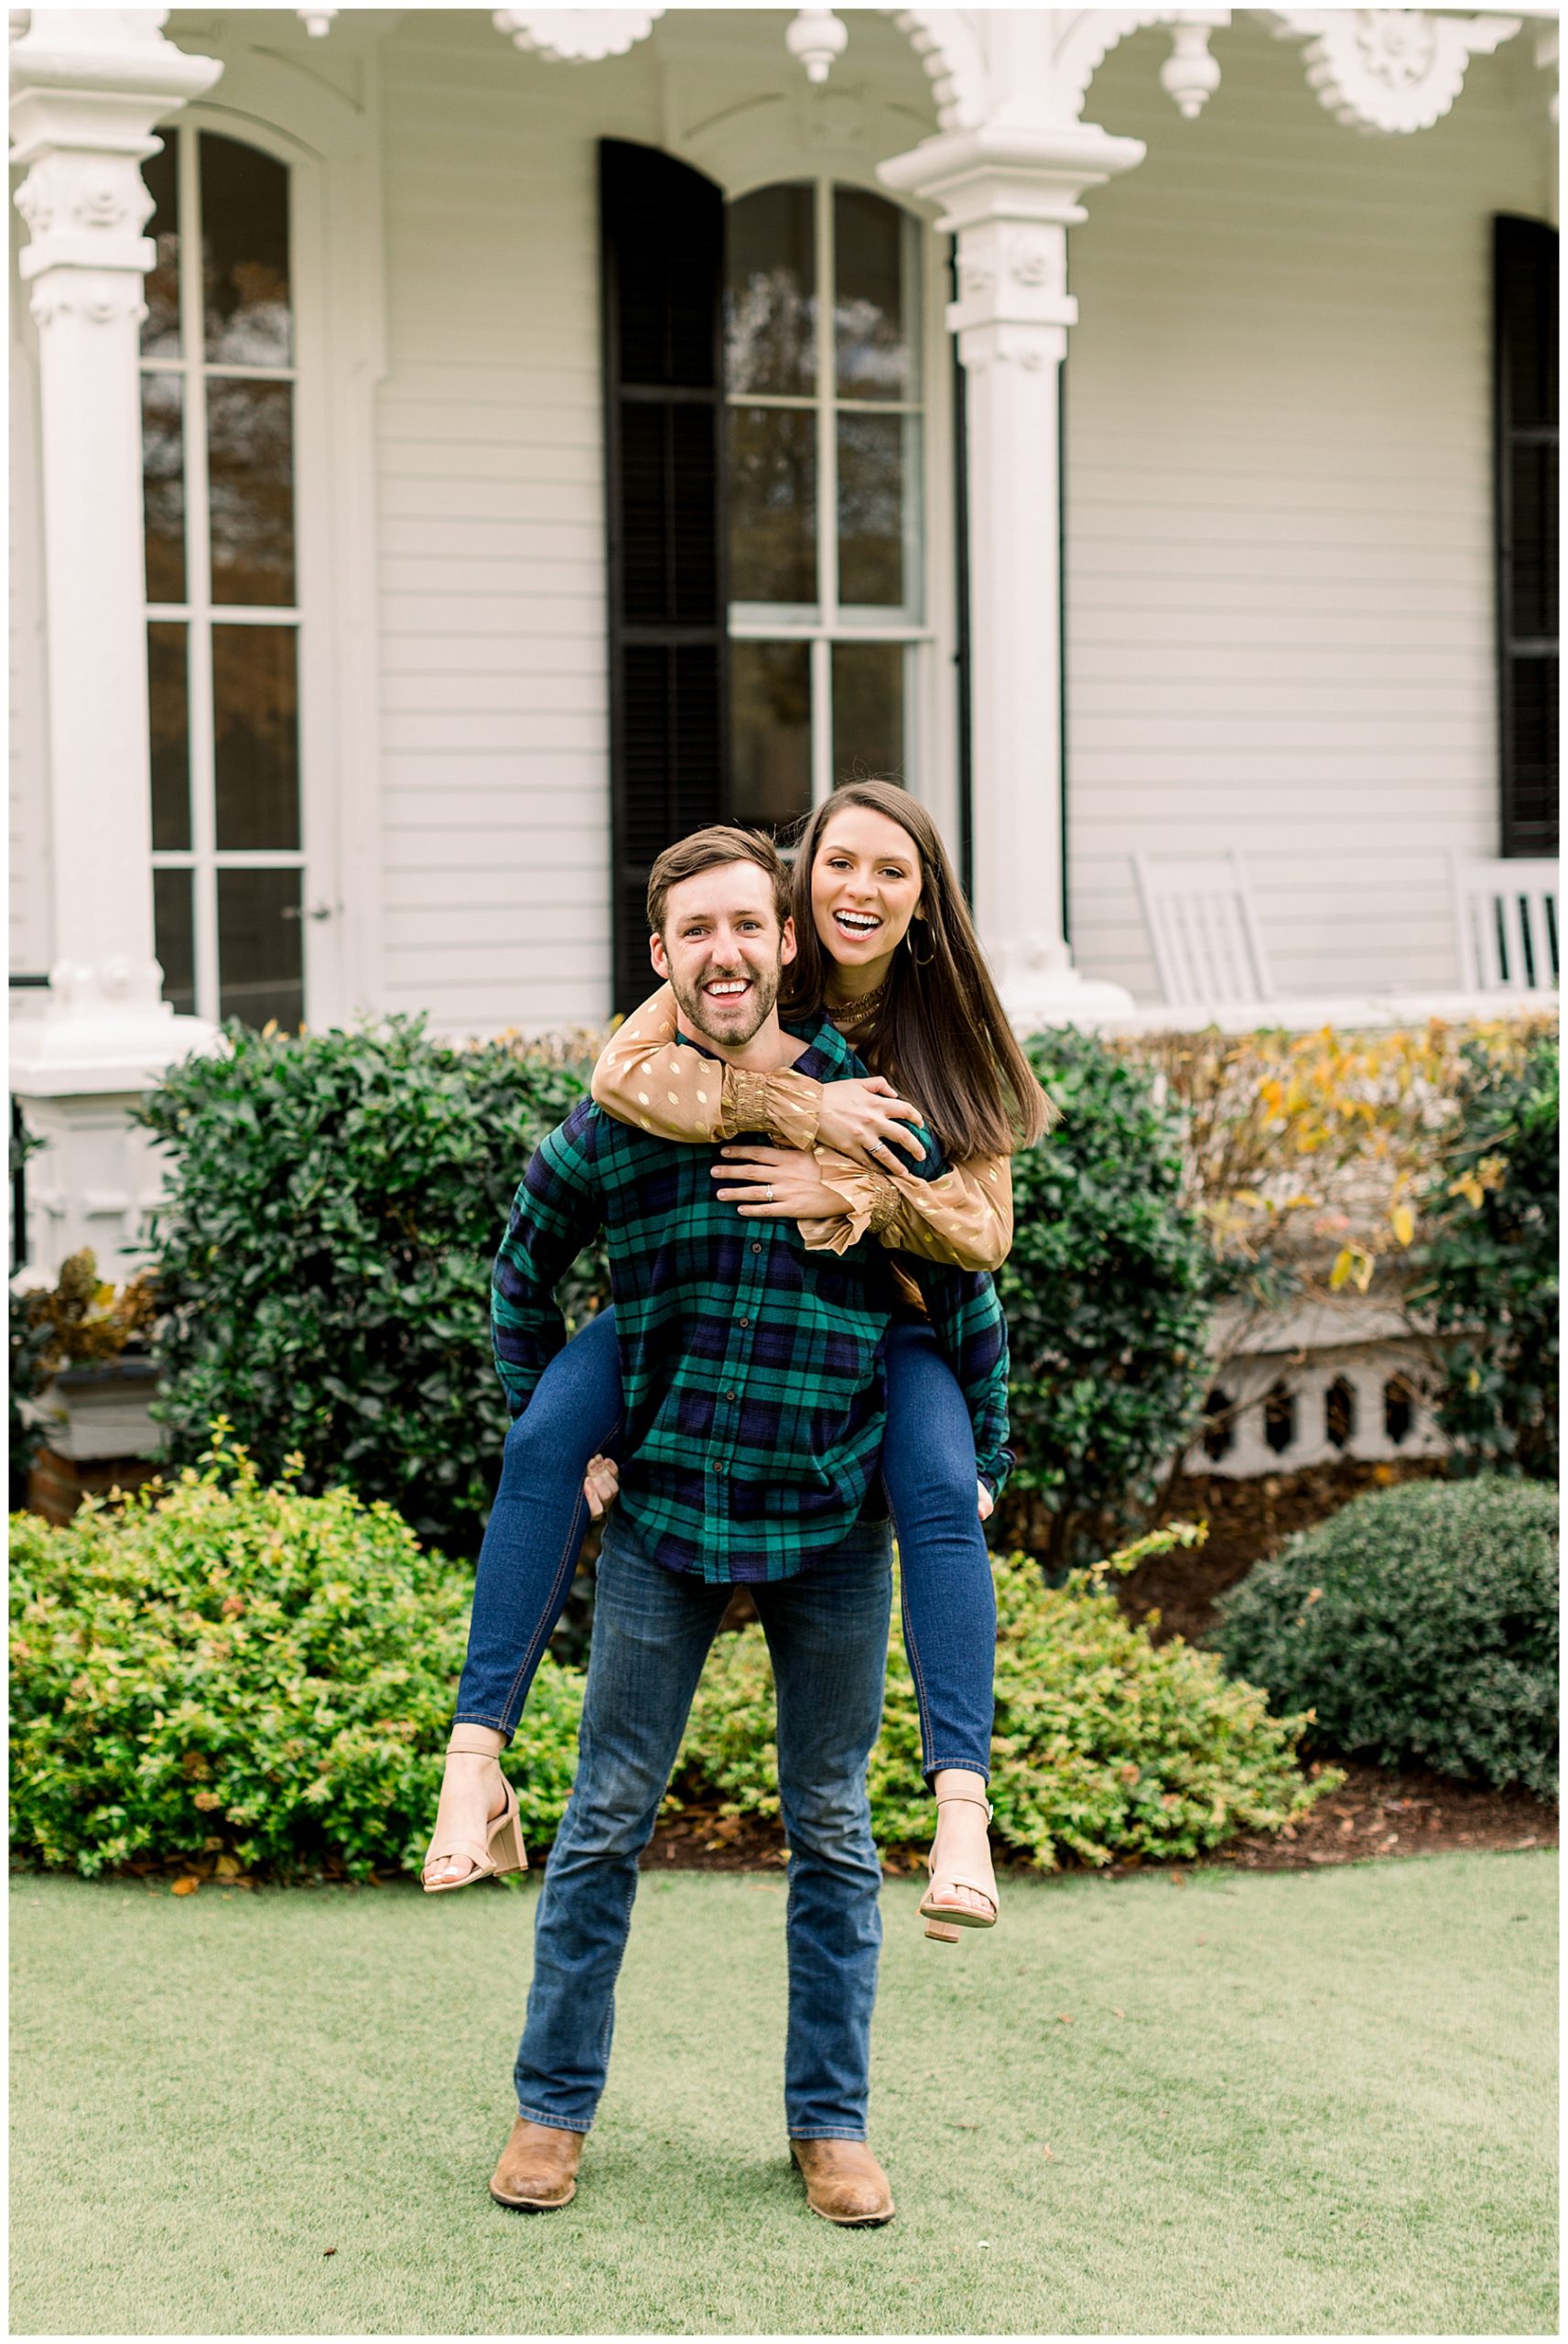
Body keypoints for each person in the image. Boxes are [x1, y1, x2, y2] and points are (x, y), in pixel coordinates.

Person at [463, 827, 1009, 2220]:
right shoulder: (628, 1119)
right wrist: (563, 1429)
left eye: (748, 929)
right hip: (664, 1517)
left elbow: (968, 1304)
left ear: (786, 945)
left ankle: (831, 2127)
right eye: (693, 932)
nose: (724, 953)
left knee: (829, 1827)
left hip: (833, 1520)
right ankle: (551, 2113)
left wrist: (977, 1459)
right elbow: (522, 1268)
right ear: (662, 957)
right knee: (602, 1821)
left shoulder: (873, 1113)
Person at [424, 780, 1054, 1938]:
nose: (862, 887)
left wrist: (851, 1186)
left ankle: (962, 1806)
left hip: (882, 1320)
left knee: (939, 1485)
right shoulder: (747, 962)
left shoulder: (943, 1034)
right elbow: (620, 1080)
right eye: (841, 863)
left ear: (924, 904)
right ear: (800, 887)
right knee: (550, 1436)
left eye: (893, 872)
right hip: (690, 1309)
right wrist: (805, 1110)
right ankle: (473, 1763)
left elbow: (980, 1241)